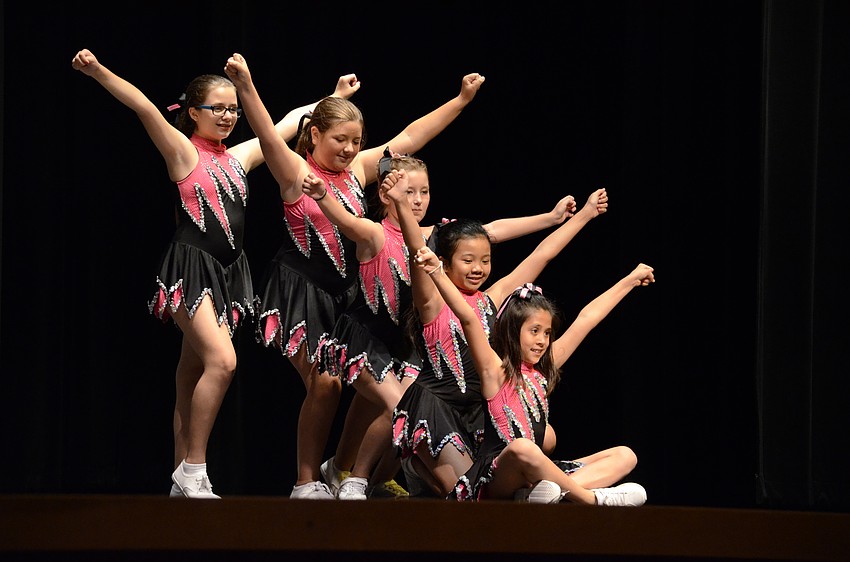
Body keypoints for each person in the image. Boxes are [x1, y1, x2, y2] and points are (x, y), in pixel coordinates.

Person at [71, 48, 359, 498]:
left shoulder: (239, 156)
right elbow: (144, 106)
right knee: (222, 362)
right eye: (217, 108)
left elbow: (280, 123)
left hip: (227, 273)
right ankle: (194, 468)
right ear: (192, 112)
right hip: (191, 266)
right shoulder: (183, 151)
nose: (227, 115)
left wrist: (334, 96)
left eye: (232, 109)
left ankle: (178, 479)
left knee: (190, 374)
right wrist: (98, 71)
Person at [223, 52, 488, 499]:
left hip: (345, 298)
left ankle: (343, 469)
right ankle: (306, 481)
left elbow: (409, 137)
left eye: (355, 141)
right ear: (314, 136)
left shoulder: (359, 170)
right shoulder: (296, 172)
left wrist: (460, 100)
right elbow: (268, 135)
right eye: (340, 140)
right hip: (299, 292)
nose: (348, 149)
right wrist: (246, 84)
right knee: (325, 383)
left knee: (372, 384)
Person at [303, 154, 577, 499]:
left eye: (424, 192)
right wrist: (322, 195)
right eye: (409, 192)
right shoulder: (385, 237)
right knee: (398, 403)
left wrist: (557, 219)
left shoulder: (449, 246)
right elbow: (350, 223)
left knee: (400, 406)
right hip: (372, 336)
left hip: (410, 347)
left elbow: (501, 236)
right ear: (388, 193)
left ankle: (377, 476)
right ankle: (356, 476)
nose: (418, 200)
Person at [389, 180, 610, 498]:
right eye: (468, 261)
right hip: (436, 407)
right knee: (468, 497)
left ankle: (548, 488)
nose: (478, 268)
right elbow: (417, 252)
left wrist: (585, 214)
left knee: (544, 438)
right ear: (445, 263)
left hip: (478, 410)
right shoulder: (433, 303)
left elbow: (542, 255)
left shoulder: (492, 299)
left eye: (485, 260)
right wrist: (399, 203)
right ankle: (420, 472)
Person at [413, 248, 653, 505]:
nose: (542, 341)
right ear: (513, 331)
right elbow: (469, 319)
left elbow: (587, 318)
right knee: (522, 447)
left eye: (547, 333)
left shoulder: (543, 370)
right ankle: (592, 499)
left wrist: (630, 280)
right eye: (534, 331)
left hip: (532, 478)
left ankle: (538, 495)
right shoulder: (495, 371)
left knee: (625, 455)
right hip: (496, 478)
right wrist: (437, 273)